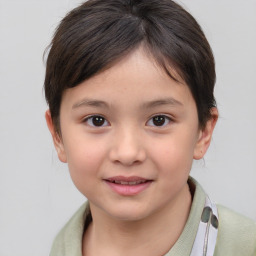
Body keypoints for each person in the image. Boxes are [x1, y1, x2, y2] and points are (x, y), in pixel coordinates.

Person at [44, 0, 256, 255]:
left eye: (159, 120)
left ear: (203, 132)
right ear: (57, 135)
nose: (128, 153)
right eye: (97, 120)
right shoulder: (61, 247)